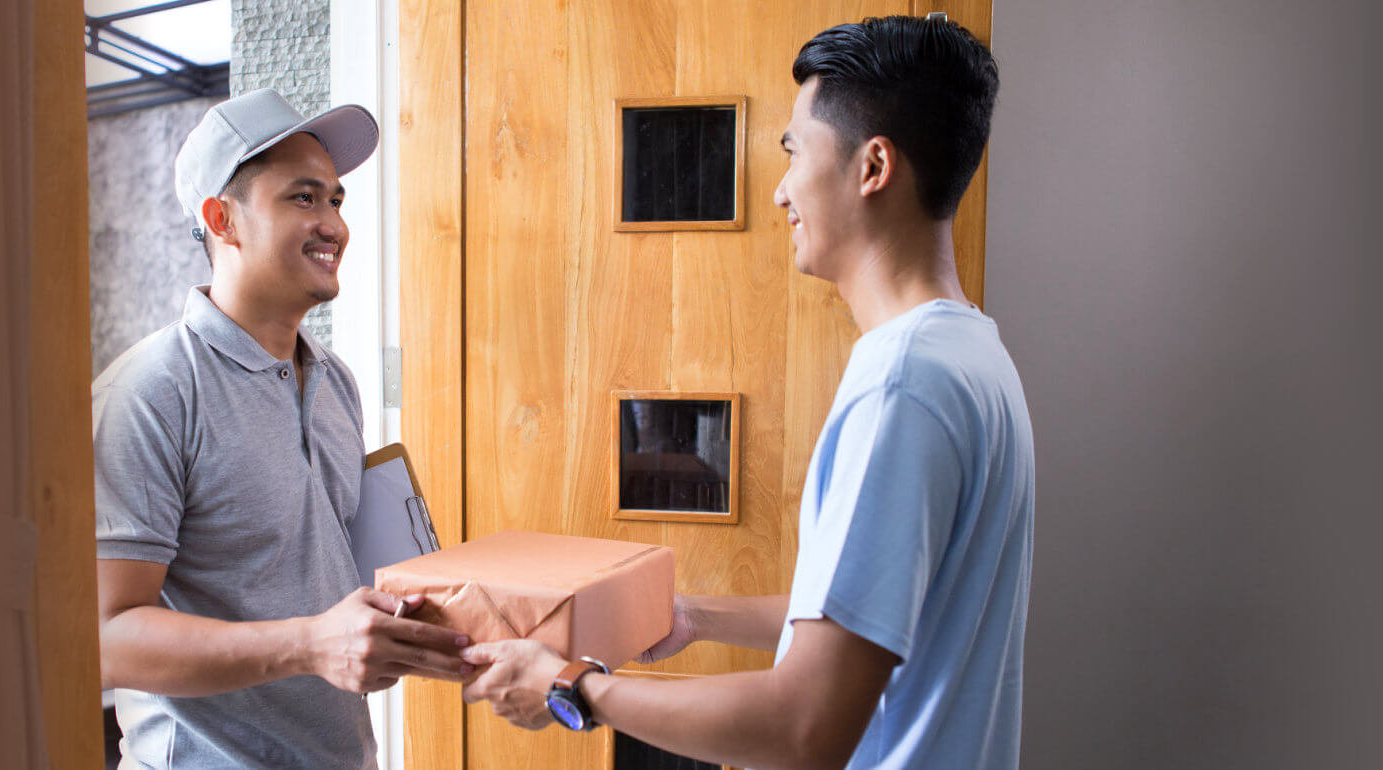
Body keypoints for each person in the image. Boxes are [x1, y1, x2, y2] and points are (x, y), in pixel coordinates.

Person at [460, 15, 1033, 770]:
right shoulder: (971, 352)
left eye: (794, 151)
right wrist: (693, 616)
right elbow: (863, 625)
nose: (780, 189)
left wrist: (574, 689)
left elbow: (805, 726)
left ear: (872, 167)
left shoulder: (903, 384)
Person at [94, 88, 472, 770]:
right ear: (222, 219)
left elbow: (327, 579)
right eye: (303, 198)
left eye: (335, 200)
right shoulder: (151, 391)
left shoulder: (336, 381)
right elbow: (103, 639)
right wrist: (311, 645)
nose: (333, 224)